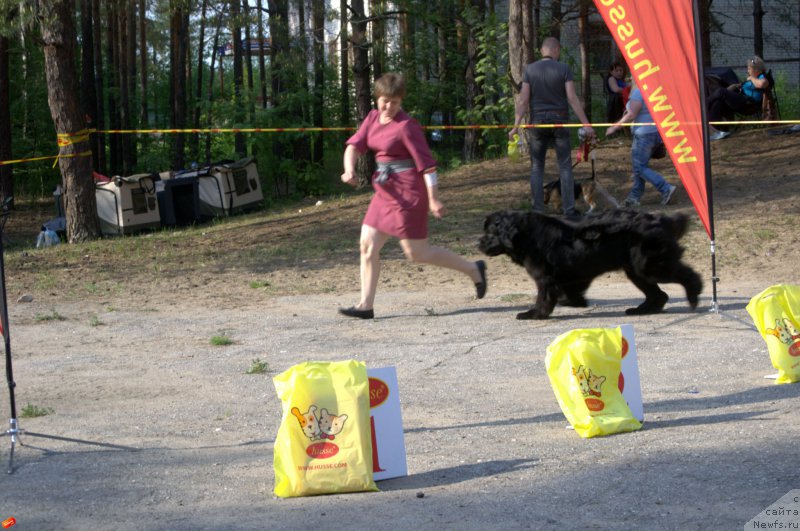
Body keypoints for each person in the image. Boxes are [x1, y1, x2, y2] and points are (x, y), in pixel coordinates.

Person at [338, 73, 487, 319]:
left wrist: (434, 198)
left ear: (401, 101)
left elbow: (427, 167)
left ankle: (473, 269)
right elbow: (353, 146)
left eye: (395, 102)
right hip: (385, 191)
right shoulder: (373, 118)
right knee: (367, 246)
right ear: (378, 98)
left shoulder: (407, 126)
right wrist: (349, 169)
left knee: (416, 253)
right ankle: (365, 305)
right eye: (385, 100)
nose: (389, 107)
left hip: (409, 194)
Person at [509, 37, 596, 218]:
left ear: (542, 50)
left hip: (538, 123)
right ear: (556, 50)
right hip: (559, 122)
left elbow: (523, 99)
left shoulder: (529, 69)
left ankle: (538, 210)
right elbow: (572, 98)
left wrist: (515, 126)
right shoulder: (563, 68)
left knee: (536, 168)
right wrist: (586, 124)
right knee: (565, 167)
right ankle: (569, 210)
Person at [605, 78, 677, 208]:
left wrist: (615, 127)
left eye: (632, 76)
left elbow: (631, 115)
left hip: (644, 135)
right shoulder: (654, 91)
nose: (630, 79)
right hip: (654, 133)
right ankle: (634, 197)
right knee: (640, 166)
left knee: (639, 167)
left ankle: (665, 188)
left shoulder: (639, 93)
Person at [707, 56, 769, 141]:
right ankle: (717, 131)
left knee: (721, 91)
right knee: (718, 101)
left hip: (749, 104)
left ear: (756, 70)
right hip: (743, 99)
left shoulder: (762, 77)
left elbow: (762, 84)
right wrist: (736, 86)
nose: (748, 71)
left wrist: (751, 78)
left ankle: (703, 105)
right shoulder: (755, 77)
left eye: (749, 69)